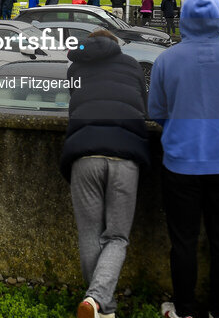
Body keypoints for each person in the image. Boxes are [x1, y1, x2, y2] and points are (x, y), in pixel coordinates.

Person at [149, 0, 219, 318]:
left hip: (181, 163)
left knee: (183, 241)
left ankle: (183, 310)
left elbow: (156, 110)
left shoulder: (166, 59)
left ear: (183, 20)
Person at [63, 30, 149, 318]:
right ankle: (99, 302)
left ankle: (100, 306)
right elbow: (143, 108)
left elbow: (74, 105)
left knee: (89, 234)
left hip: (84, 153)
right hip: (125, 153)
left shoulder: (76, 67)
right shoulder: (132, 65)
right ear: (115, 44)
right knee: (117, 236)